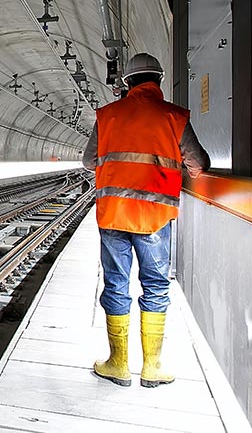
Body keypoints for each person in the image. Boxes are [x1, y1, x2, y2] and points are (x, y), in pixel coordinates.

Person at [82, 52, 209, 388]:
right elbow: (198, 163)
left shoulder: (107, 116)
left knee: (116, 282)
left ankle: (118, 364)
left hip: (113, 215)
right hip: (154, 217)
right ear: (159, 80)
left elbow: (88, 160)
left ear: (127, 83)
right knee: (154, 285)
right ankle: (152, 367)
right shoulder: (174, 117)